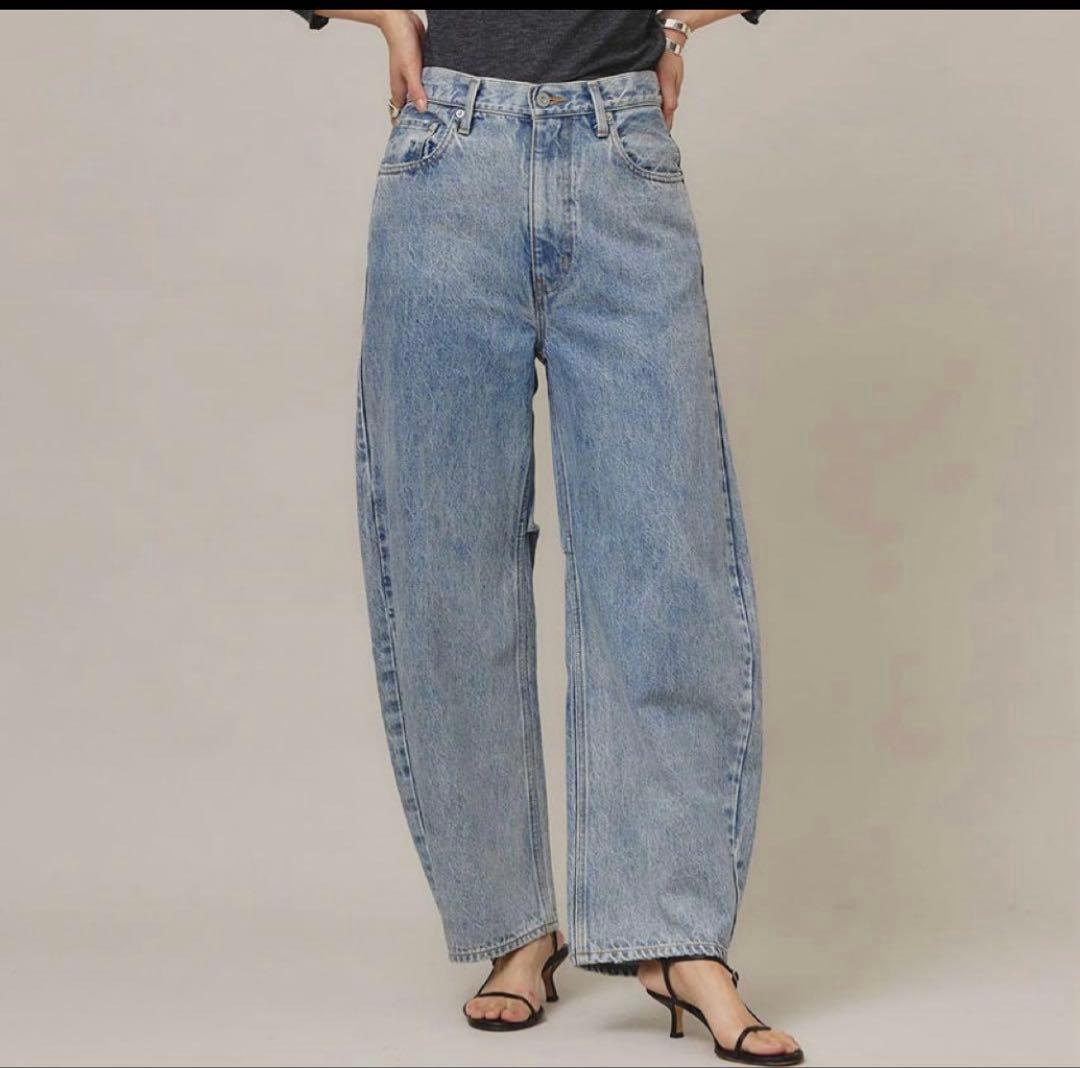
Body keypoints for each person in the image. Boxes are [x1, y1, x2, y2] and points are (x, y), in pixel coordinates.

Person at [290, 9, 803, 1064]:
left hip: (622, 159)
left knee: (664, 566)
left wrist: (674, 25)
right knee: (447, 569)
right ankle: (513, 928)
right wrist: (386, 15)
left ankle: (678, 938)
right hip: (449, 161)